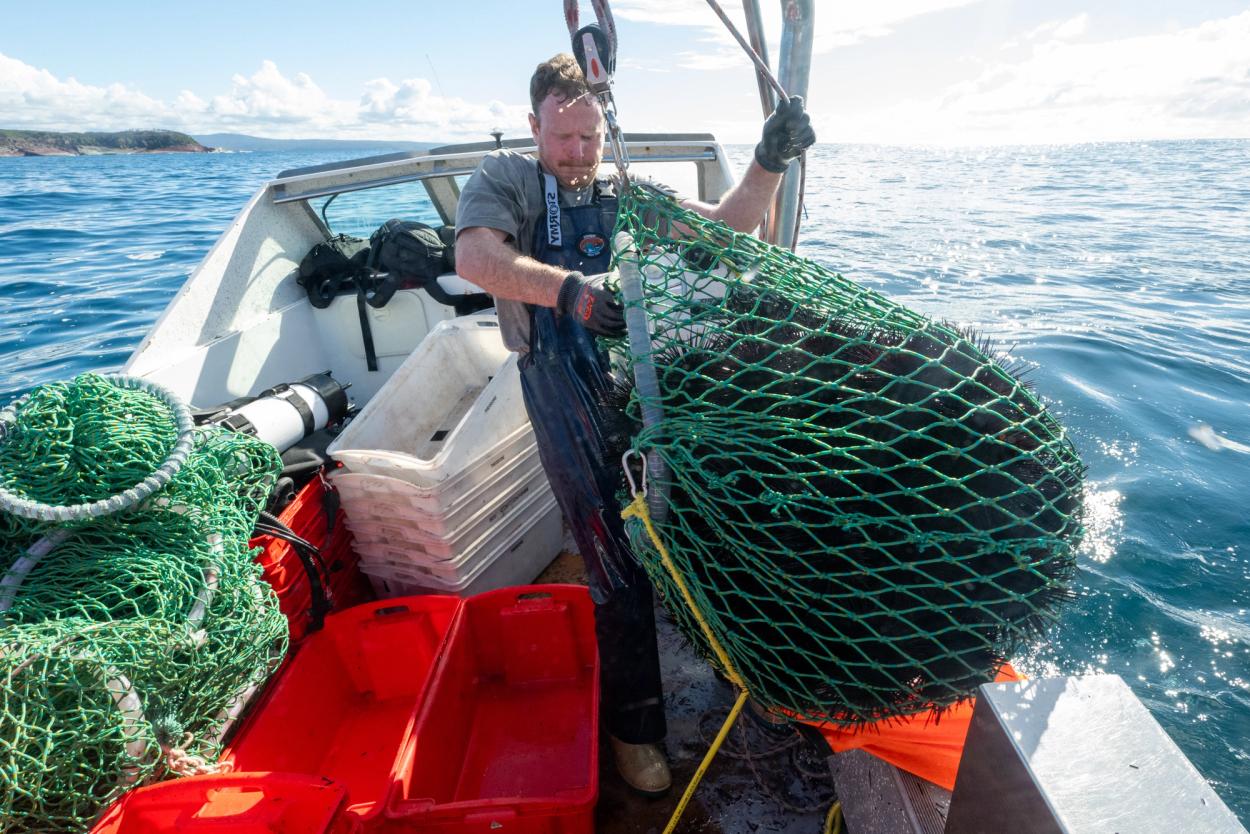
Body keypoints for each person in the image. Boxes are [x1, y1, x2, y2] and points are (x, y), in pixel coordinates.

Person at [454, 53, 815, 797]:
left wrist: (767, 163)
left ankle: (742, 665)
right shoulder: (506, 182)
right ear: (535, 128)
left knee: (700, 526)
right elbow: (477, 257)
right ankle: (635, 732)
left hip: (643, 381)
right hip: (560, 384)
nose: (580, 154)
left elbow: (725, 234)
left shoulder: (625, 187)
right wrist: (570, 292)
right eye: (564, 138)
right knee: (612, 558)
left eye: (590, 137)